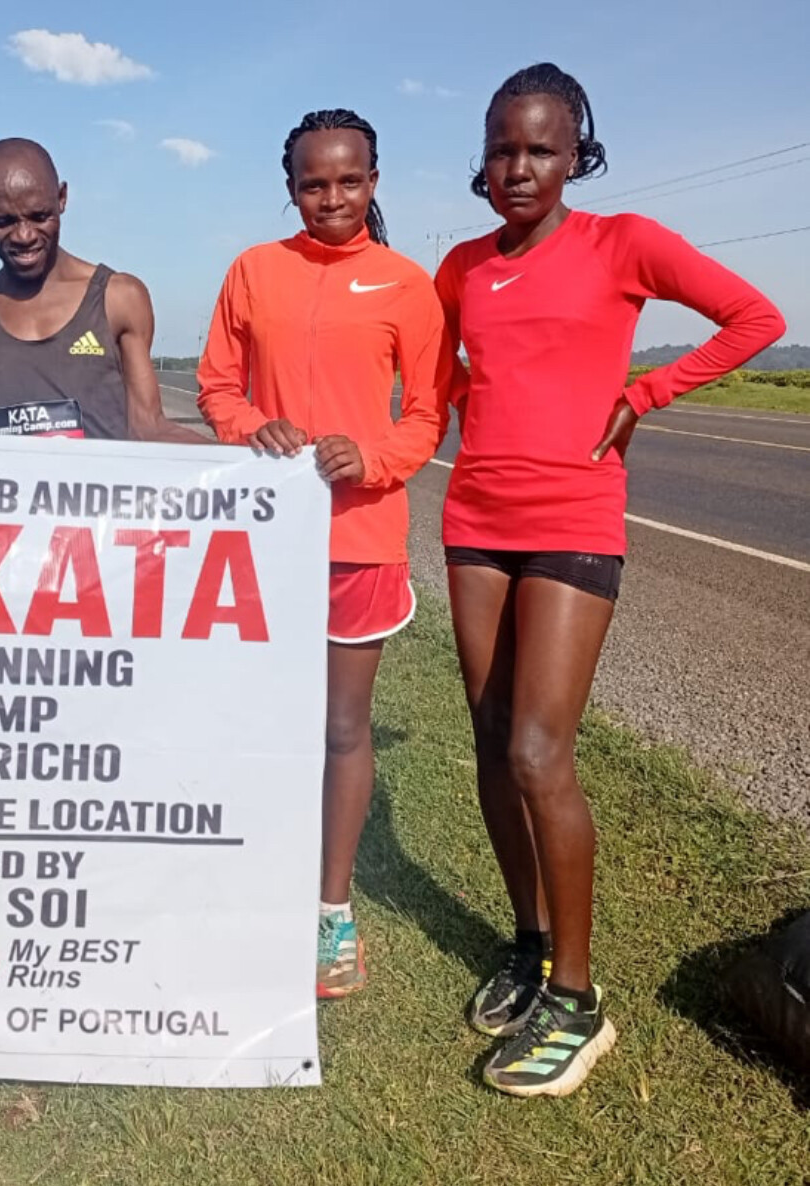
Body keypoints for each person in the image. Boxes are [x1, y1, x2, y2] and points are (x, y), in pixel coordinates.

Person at [434, 62, 785, 1098]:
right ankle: (530, 946)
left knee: (539, 749)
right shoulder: (461, 265)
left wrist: (649, 390)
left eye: (541, 149)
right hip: (475, 521)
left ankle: (578, 1001)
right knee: (491, 740)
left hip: (573, 522)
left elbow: (754, 316)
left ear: (575, 155)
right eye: (502, 149)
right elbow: (446, 369)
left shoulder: (622, 241)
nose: (519, 168)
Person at [197, 109, 452, 999]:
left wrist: (370, 457)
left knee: (342, 728)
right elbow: (216, 387)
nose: (332, 198)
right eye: (314, 183)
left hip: (359, 541)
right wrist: (250, 425)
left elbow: (427, 413)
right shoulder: (253, 270)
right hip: (265, 537)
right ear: (291, 187)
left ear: (373, 182)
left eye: (349, 181)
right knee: (259, 720)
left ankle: (330, 911)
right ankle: (252, 881)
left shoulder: (406, 285)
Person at [0, 137, 207, 444]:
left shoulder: (118, 299)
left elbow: (147, 427)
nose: (24, 236)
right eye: (3, 222)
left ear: (62, 198)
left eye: (39, 216)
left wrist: (244, 464)